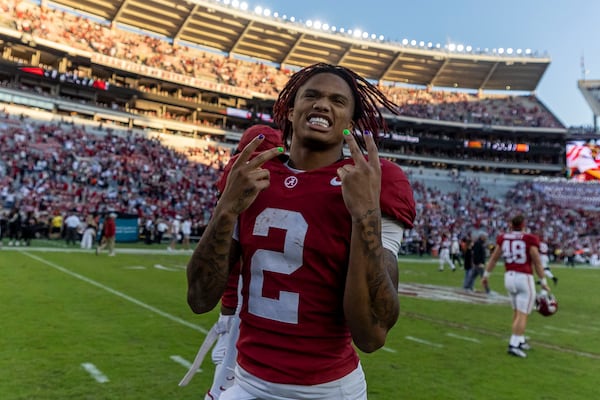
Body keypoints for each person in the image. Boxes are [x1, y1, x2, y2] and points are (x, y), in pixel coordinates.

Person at [185, 63, 416, 399]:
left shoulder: (374, 182)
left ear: (350, 124)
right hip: (246, 382)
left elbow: (372, 335)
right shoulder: (254, 173)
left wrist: (365, 215)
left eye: (337, 101)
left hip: (327, 391)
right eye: (312, 95)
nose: (322, 104)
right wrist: (226, 209)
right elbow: (199, 298)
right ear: (291, 113)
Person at [482, 215, 551, 358]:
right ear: (523, 225)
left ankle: (519, 340)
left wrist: (486, 275)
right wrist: (543, 282)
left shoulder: (503, 237)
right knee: (523, 314)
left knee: (517, 312)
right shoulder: (529, 238)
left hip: (509, 277)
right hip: (524, 277)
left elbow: (494, 258)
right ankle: (513, 345)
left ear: (510, 224)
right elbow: (537, 261)